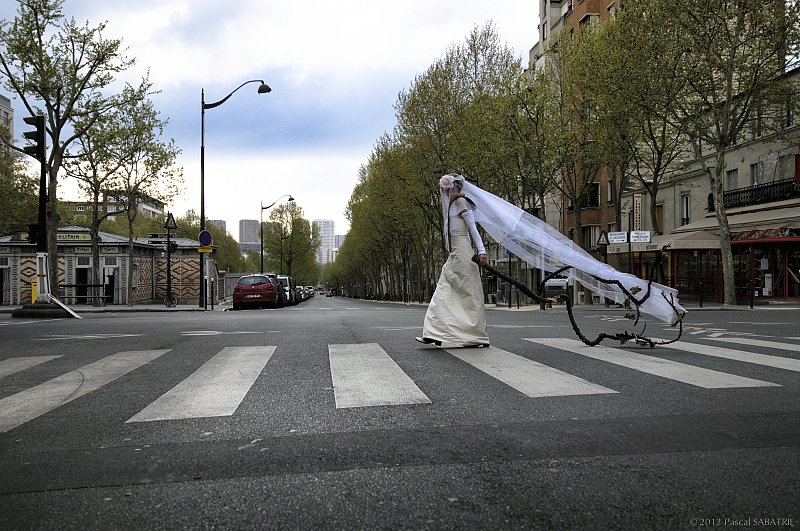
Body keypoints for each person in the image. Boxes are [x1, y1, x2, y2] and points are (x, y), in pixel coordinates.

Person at [416, 173, 490, 347]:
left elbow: (473, 229)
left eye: (446, 188)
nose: (444, 192)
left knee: (469, 294)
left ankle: (475, 335)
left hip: (464, 254)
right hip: (455, 254)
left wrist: (482, 251)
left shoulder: (461, 203)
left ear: (453, 187)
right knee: (444, 290)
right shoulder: (452, 206)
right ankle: (434, 332)